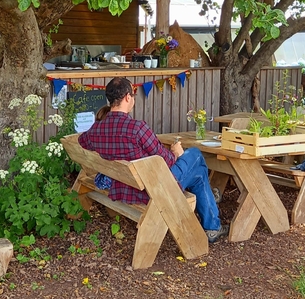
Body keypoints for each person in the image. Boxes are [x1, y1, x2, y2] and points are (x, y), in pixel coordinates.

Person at [78, 77, 228, 243]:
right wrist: (177, 152)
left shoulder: (97, 128)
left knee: (198, 174)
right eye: (133, 95)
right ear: (128, 97)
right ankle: (212, 223)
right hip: (152, 188)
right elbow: (167, 161)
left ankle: (212, 222)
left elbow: (82, 141)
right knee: (194, 155)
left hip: (123, 186)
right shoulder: (137, 128)